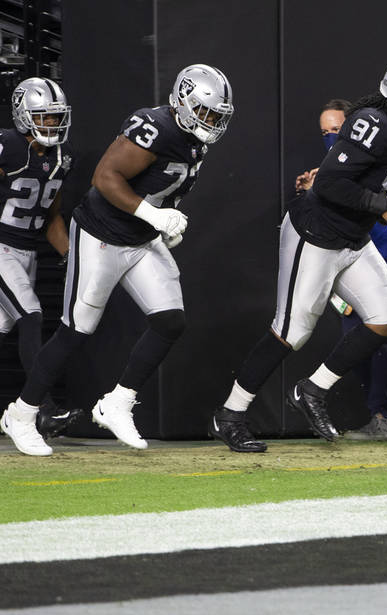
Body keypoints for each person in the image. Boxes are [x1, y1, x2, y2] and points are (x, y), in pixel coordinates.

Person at [210, 56, 387, 453]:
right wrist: (381, 205)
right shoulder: (374, 124)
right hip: (315, 235)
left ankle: (312, 390)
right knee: (291, 332)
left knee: (386, 317)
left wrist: (373, 205)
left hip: (352, 239)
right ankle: (230, 415)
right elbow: (331, 186)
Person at [1, 64, 234, 456]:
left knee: (170, 320)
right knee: (75, 330)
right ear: (182, 101)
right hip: (101, 236)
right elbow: (106, 177)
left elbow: (163, 185)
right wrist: (154, 214)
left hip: (140, 239)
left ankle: (118, 402)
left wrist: (164, 221)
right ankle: (22, 415)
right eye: (206, 111)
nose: (210, 121)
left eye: (216, 115)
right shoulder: (153, 125)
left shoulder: (196, 139)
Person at [295, 98, 387, 441]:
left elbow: (361, 194)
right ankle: (379, 415)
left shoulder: (379, 149)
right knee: (358, 339)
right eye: (325, 133)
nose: (332, 138)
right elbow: (337, 190)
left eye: (337, 129)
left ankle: (385, 417)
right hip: (352, 257)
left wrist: (324, 187)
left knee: (384, 334)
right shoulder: (338, 164)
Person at [0, 77, 83, 441]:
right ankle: (41, 409)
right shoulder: (9, 147)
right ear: (22, 115)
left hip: (28, 252)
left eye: (55, 117)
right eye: (44, 117)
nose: (52, 124)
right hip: (1, 246)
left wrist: (72, 257)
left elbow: (51, 216)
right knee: (32, 315)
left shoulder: (61, 158)